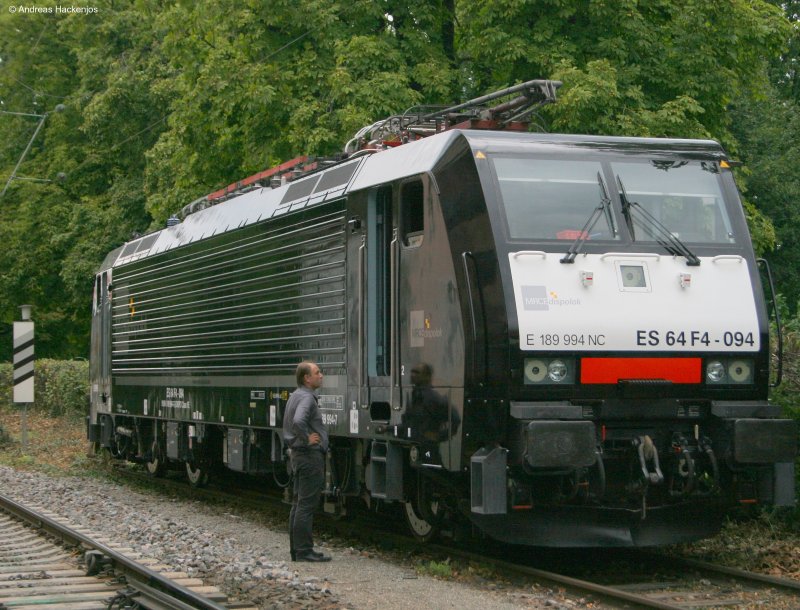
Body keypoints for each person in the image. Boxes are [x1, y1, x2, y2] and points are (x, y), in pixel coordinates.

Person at [282, 361, 331, 562]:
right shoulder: (308, 399)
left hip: (298, 456)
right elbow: (298, 421)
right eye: (317, 373)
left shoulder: (295, 396)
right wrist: (307, 438)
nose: (321, 375)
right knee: (307, 505)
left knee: (298, 503)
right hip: (309, 457)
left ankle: (297, 550)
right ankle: (304, 551)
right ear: (307, 378)